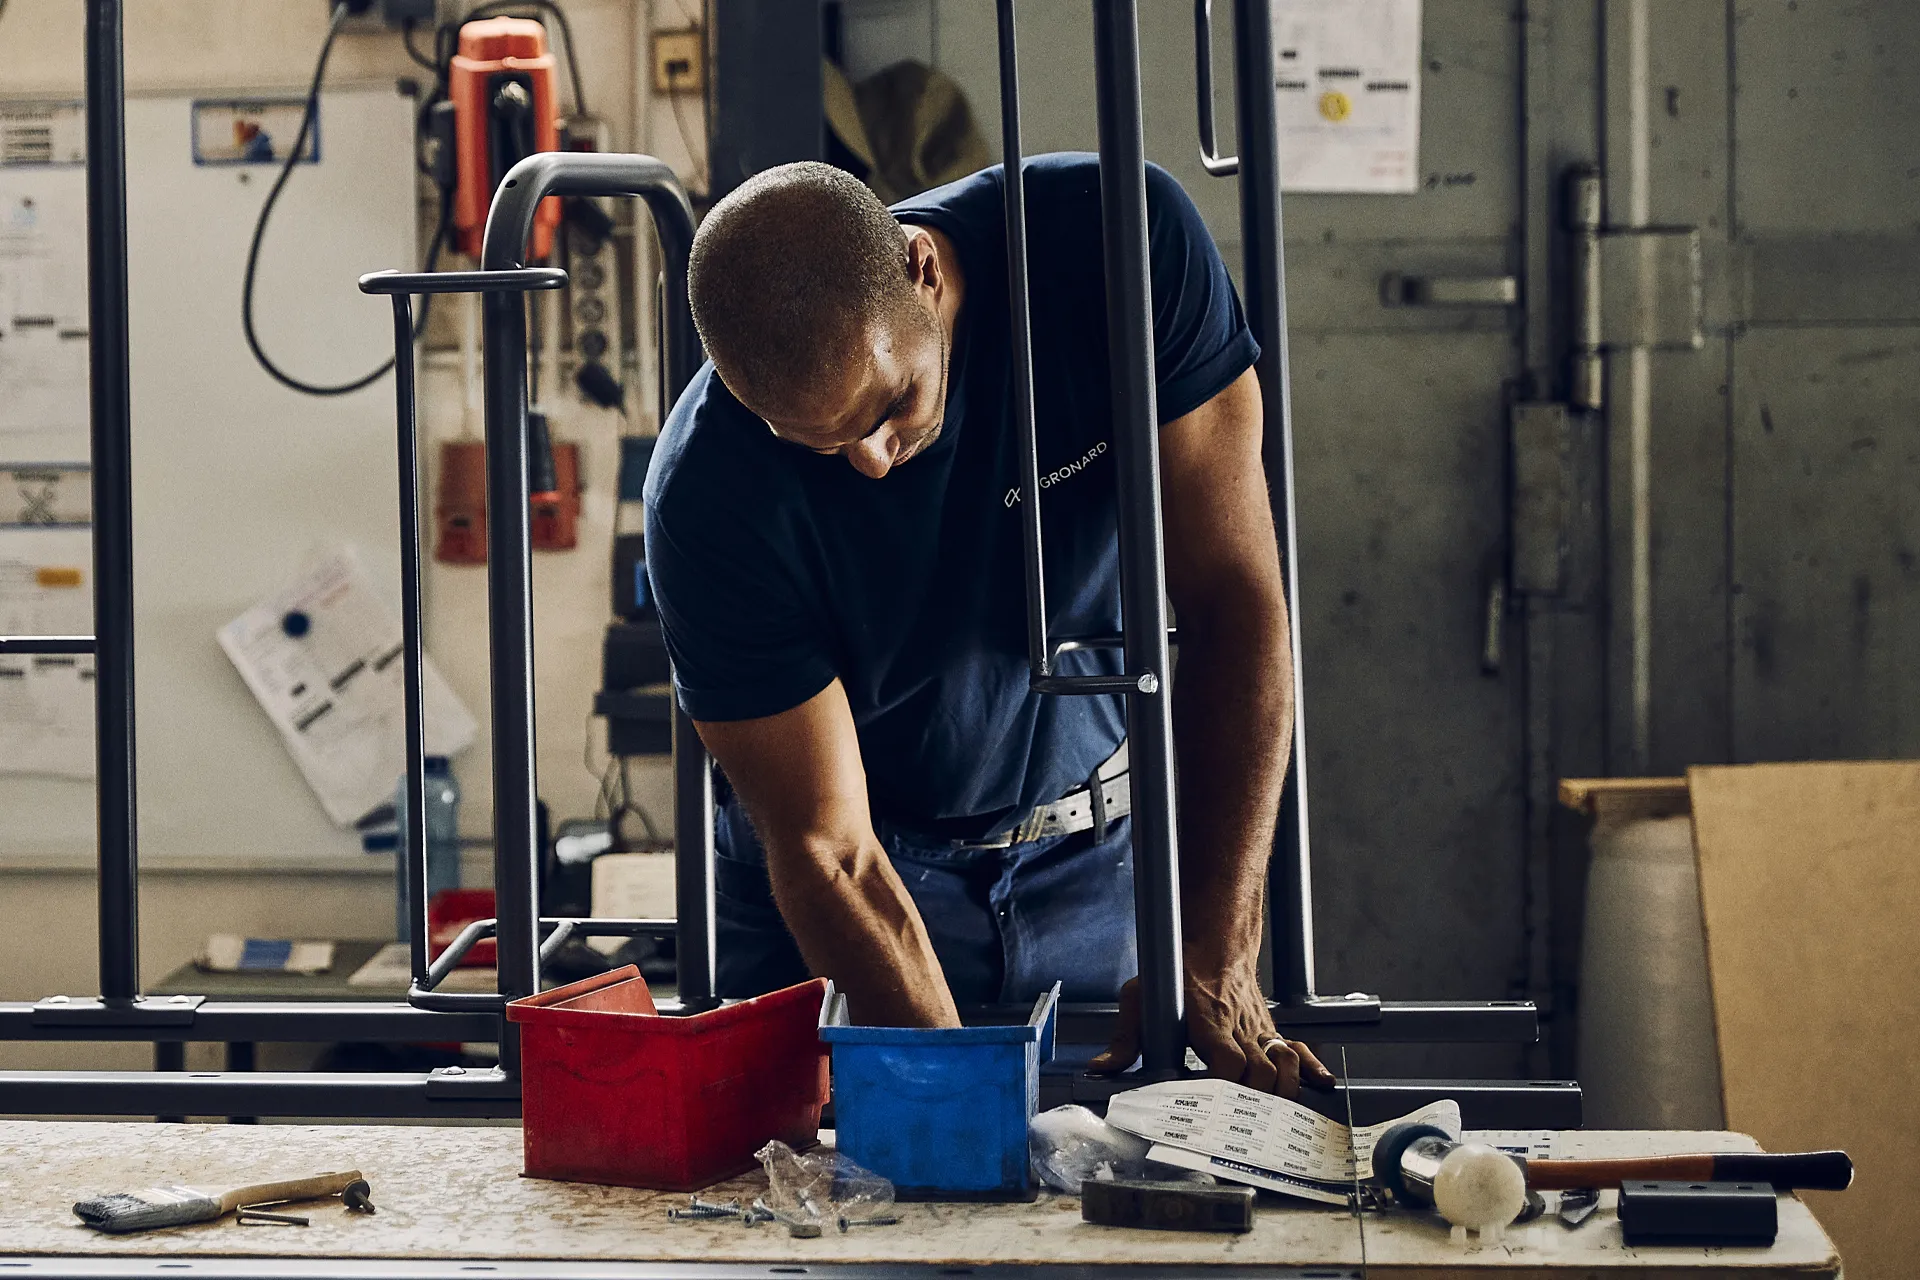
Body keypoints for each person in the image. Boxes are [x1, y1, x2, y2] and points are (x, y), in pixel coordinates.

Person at [644, 154, 1334, 1097]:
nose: (874, 462)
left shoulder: (1113, 247)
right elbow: (828, 848)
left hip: (1092, 853)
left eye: (890, 410)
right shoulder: (707, 492)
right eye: (823, 445)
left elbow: (1235, 602)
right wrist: (956, 1105)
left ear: (925, 268)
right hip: (872, 876)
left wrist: (1212, 952)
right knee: (842, 1203)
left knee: (1122, 1174)